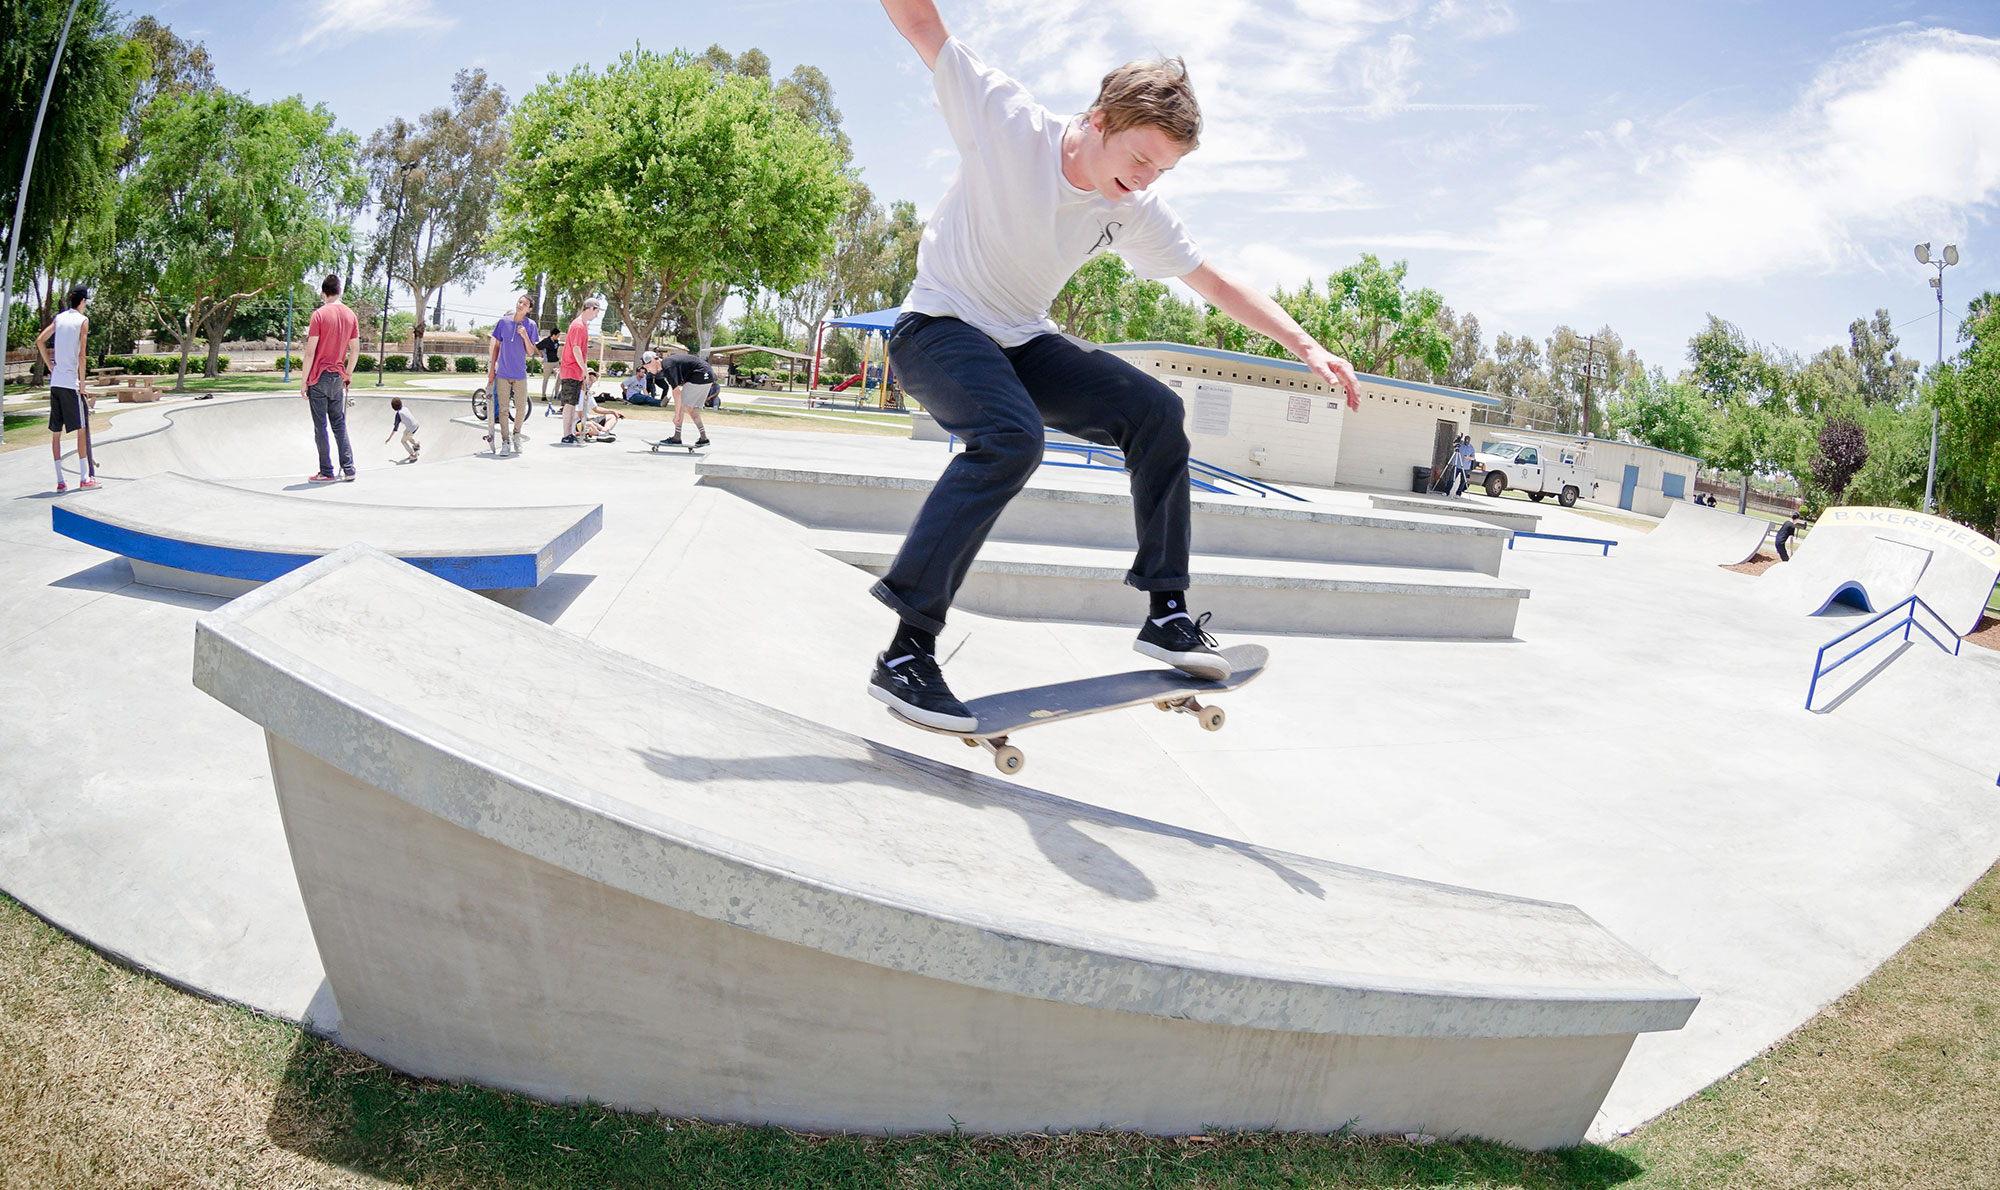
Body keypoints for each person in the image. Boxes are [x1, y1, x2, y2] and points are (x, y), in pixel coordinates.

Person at [867, 0, 1363, 729]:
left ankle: (1166, 611)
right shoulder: (1008, 122)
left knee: (1157, 410)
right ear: (1100, 118)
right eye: (1138, 160)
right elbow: (921, 26)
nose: (1145, 181)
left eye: (1161, 170)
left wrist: (1308, 346)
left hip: (1021, 341)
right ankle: (908, 652)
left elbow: (1215, 281)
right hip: (936, 328)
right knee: (1010, 439)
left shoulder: (1135, 206)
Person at [35, 284, 96, 493]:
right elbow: (82, 355)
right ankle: (84, 478)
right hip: (70, 383)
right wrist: (83, 384)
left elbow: (40, 340)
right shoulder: (82, 321)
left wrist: (50, 366)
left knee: (56, 432)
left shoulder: (59, 318)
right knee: (81, 429)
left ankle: (60, 481)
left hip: (56, 383)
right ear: (83, 301)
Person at [301, 273, 361, 483]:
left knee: (320, 426)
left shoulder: (319, 315)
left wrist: (303, 382)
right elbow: (355, 350)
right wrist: (348, 373)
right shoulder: (350, 315)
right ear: (339, 291)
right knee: (339, 423)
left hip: (318, 378)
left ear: (323, 293)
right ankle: (349, 468)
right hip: (338, 377)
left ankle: (326, 471)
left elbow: (310, 352)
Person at [487, 294, 538, 453]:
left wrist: (524, 335)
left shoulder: (531, 325)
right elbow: (496, 347)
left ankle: (516, 434)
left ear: (529, 309)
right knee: (502, 409)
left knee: (521, 409)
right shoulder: (503, 322)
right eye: (519, 301)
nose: (520, 305)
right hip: (502, 373)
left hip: (520, 375)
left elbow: (530, 352)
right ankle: (505, 441)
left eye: (525, 304)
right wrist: (491, 371)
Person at [557, 297, 599, 445]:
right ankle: (566, 434)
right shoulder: (578, 325)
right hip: (570, 370)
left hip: (575, 371)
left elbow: (581, 351)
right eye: (597, 311)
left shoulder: (583, 326)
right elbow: (576, 349)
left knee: (573, 404)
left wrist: (584, 369)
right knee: (569, 404)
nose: (597, 315)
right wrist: (584, 369)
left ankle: (569, 434)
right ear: (591, 308)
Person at [655, 352, 715, 447]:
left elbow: (676, 393)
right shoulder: (669, 364)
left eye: (647, 367)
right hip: (708, 375)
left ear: (653, 361)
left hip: (700, 375)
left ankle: (677, 437)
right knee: (690, 408)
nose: (648, 370)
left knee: (682, 405)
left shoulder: (668, 366)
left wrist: (676, 416)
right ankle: (704, 438)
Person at [385, 397, 421, 462]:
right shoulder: (405, 408)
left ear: (393, 407)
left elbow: (395, 429)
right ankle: (416, 445)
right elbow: (407, 418)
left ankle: (412, 455)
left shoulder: (398, 414)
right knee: (405, 434)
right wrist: (397, 422)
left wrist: (389, 438)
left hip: (411, 429)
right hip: (416, 425)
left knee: (403, 441)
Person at [536, 325, 562, 403]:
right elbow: (536, 346)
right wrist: (540, 354)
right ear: (553, 335)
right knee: (546, 379)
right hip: (548, 362)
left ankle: (556, 394)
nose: (558, 337)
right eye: (557, 335)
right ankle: (543, 395)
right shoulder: (546, 341)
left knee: (559, 377)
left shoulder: (556, 341)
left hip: (555, 361)